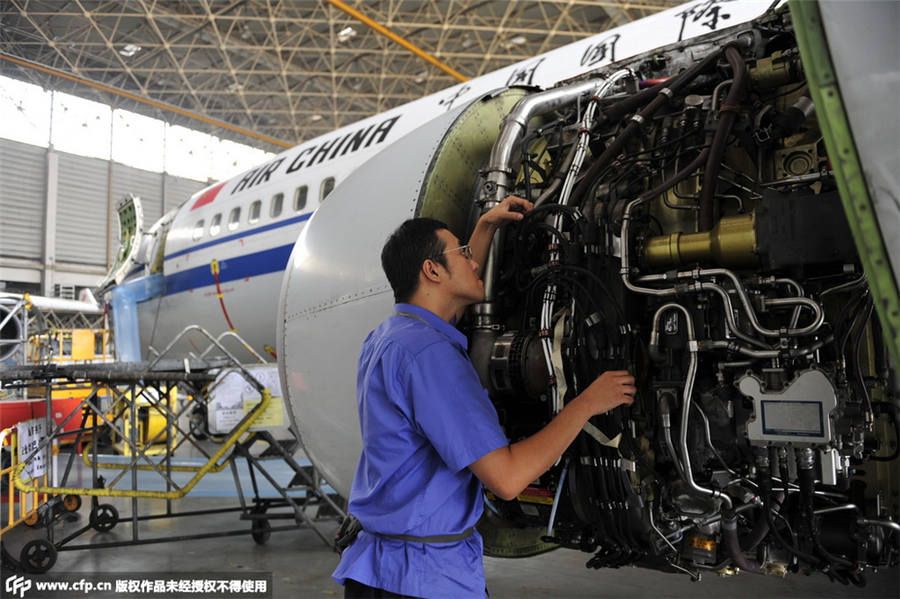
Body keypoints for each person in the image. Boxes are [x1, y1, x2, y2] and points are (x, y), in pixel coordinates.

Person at [333, 195, 636, 598]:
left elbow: (447, 302)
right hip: (421, 580)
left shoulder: (392, 336)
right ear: (432, 270)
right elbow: (507, 479)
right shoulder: (432, 357)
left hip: (380, 567)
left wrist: (486, 227)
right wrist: (586, 404)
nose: (474, 263)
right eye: (462, 255)